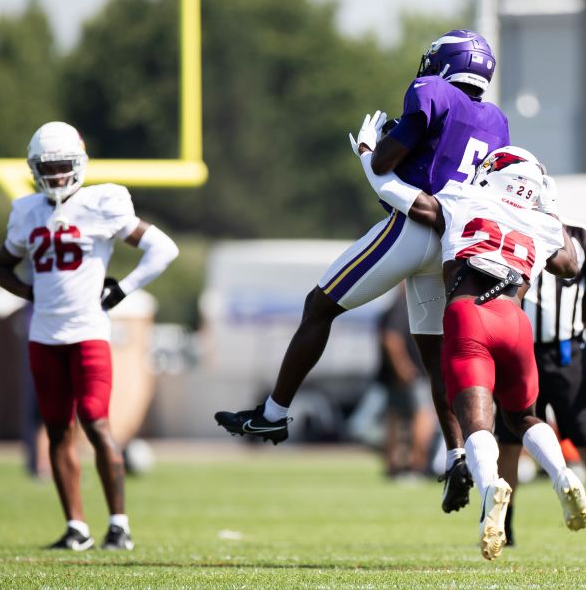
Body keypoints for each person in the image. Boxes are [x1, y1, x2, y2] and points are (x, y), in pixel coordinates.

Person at [216, 30, 512, 515]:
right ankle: (458, 455)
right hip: (454, 243)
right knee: (436, 357)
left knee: (319, 306)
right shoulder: (496, 121)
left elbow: (385, 163)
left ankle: (273, 414)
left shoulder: (430, 92)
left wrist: (373, 148)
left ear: (444, 63)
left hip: (411, 228)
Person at [357, 141, 586, 560]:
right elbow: (572, 265)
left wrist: (367, 154)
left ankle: (490, 493)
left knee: (479, 425)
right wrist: (550, 208)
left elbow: (393, 192)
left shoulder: (463, 196)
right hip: (516, 322)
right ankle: (561, 474)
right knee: (524, 416)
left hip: (470, 316)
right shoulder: (540, 222)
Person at [0, 121, 179, 551]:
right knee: (57, 431)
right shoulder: (26, 211)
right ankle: (77, 527)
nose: (56, 176)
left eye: (62, 166)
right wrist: (31, 291)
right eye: (47, 167)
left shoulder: (102, 202)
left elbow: (164, 248)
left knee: (95, 422)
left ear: (79, 164)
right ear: (35, 169)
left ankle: (119, 525)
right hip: (44, 336)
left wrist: (122, 290)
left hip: (89, 331)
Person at [496, 221, 586, 549]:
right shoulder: (510, 230)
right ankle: (505, 526)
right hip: (520, 352)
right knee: (510, 440)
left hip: (566, 353)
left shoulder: (580, 237)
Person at [377, 285, 436, 478]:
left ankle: (393, 467)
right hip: (413, 374)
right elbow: (391, 340)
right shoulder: (403, 305)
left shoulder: (393, 306)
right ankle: (416, 467)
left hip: (395, 376)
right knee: (423, 416)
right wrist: (404, 369)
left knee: (394, 418)